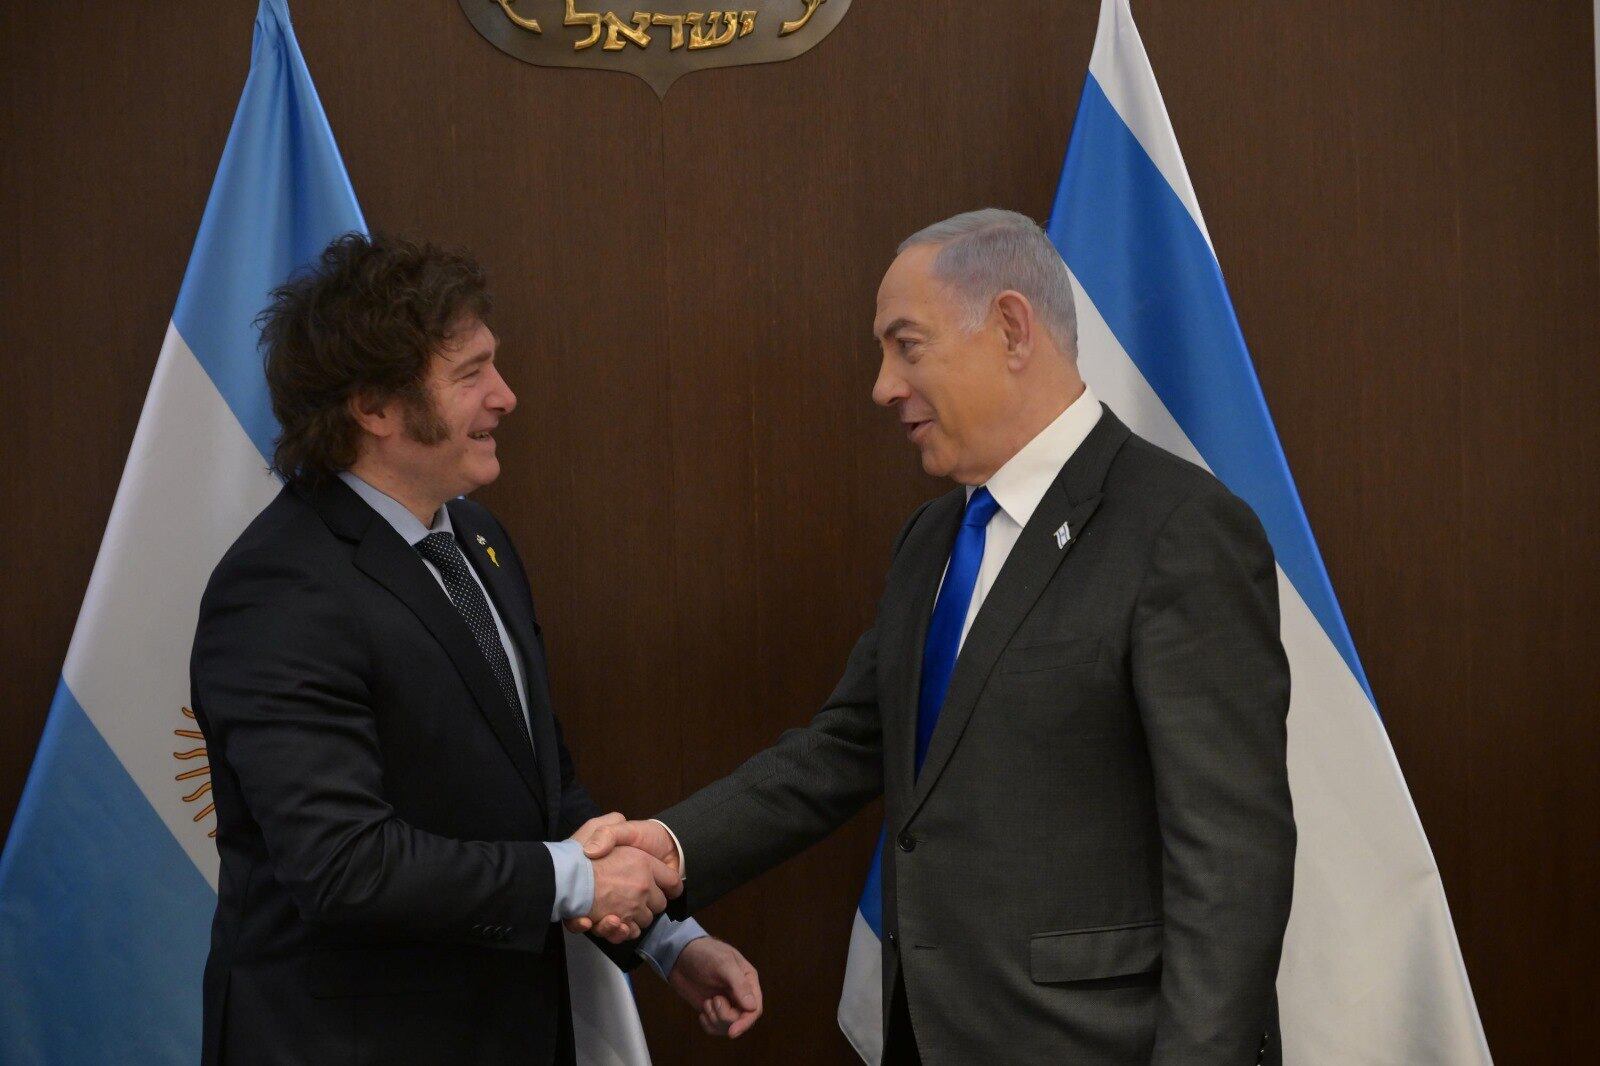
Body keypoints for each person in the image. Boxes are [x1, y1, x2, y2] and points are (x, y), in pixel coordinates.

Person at [584, 209, 1295, 1064]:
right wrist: (668, 848)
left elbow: (1232, 862)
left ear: (1009, 328)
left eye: (906, 346)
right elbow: (844, 748)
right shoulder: (933, 539)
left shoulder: (1179, 529)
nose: (883, 385)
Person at [189, 233, 760, 1065]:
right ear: (374, 408)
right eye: (470, 374)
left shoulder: (476, 541)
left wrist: (669, 941)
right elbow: (344, 865)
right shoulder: (281, 591)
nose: (507, 396)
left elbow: (544, 796)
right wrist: (578, 880)